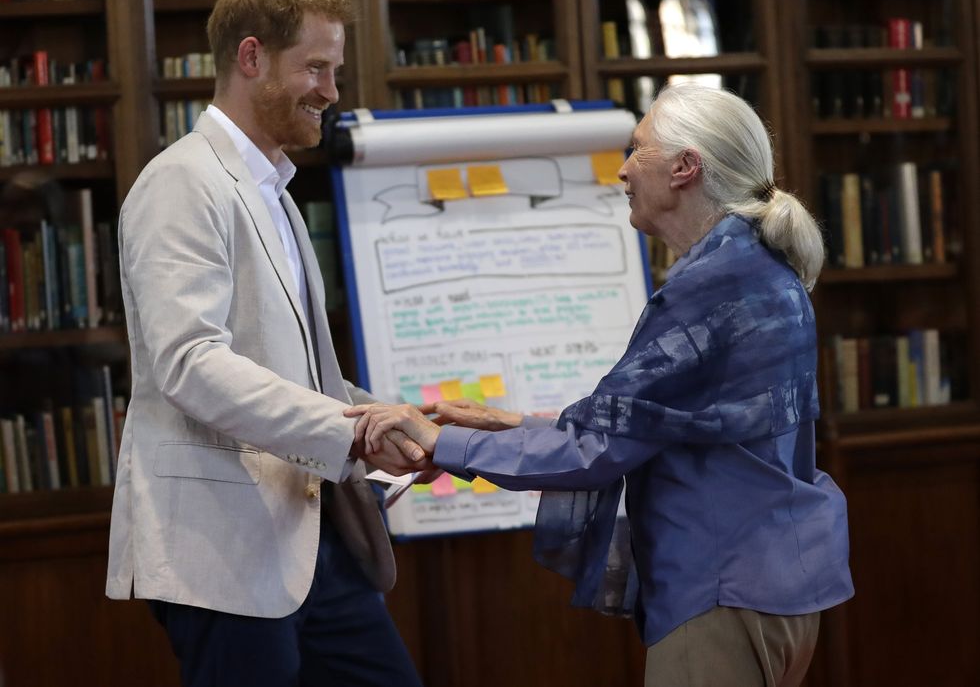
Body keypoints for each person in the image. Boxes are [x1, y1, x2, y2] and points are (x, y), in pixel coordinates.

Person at [347, 83, 855, 687]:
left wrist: (442, 443)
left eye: (637, 149)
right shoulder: (755, 267)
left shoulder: (713, 285)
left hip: (722, 588)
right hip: (774, 581)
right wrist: (509, 425)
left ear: (685, 167)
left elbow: (598, 448)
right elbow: (654, 422)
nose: (621, 170)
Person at [105, 0, 427, 687]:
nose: (332, 91)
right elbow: (189, 361)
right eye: (316, 67)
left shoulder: (272, 187)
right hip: (222, 548)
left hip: (313, 536)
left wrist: (394, 422)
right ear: (251, 57)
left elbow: (298, 370)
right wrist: (350, 432)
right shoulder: (182, 182)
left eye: (334, 70)